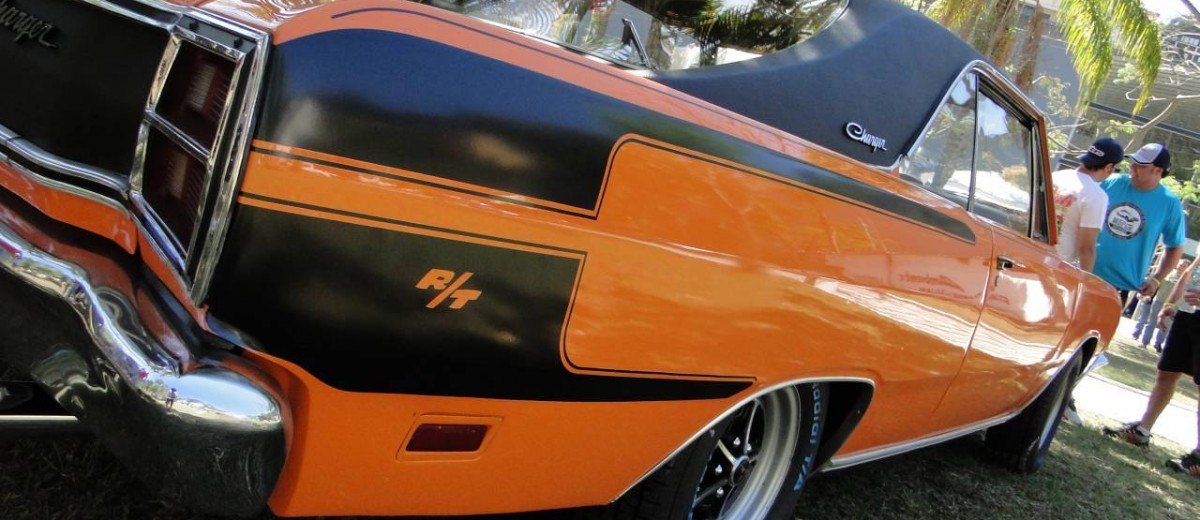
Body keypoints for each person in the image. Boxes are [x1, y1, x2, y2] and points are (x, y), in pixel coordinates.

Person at [1104, 255, 1200, 478]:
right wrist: (1170, 304)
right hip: (1187, 314)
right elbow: (1189, 273)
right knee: (1166, 373)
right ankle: (1142, 431)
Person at [1092, 143, 1186, 307]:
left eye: (1141, 165)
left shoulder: (1170, 204)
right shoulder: (1110, 183)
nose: (1132, 167)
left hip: (1120, 287)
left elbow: (1175, 246)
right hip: (1083, 272)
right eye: (1133, 162)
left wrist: (1157, 279)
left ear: (1158, 171)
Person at [1051, 137, 1124, 271]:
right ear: (1109, 167)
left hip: (1031, 253)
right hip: (1057, 267)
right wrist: (1085, 279)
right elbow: (1086, 248)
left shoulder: (1055, 176)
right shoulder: (1096, 196)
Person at [1132, 260, 1189, 352]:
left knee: (1166, 326)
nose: (1181, 267)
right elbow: (1156, 285)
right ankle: (1144, 342)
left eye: (1184, 266)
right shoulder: (1168, 274)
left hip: (1173, 305)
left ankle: (1158, 344)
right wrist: (1147, 295)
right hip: (1159, 301)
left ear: (1187, 268)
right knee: (1151, 322)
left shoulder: (1187, 280)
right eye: (1180, 265)